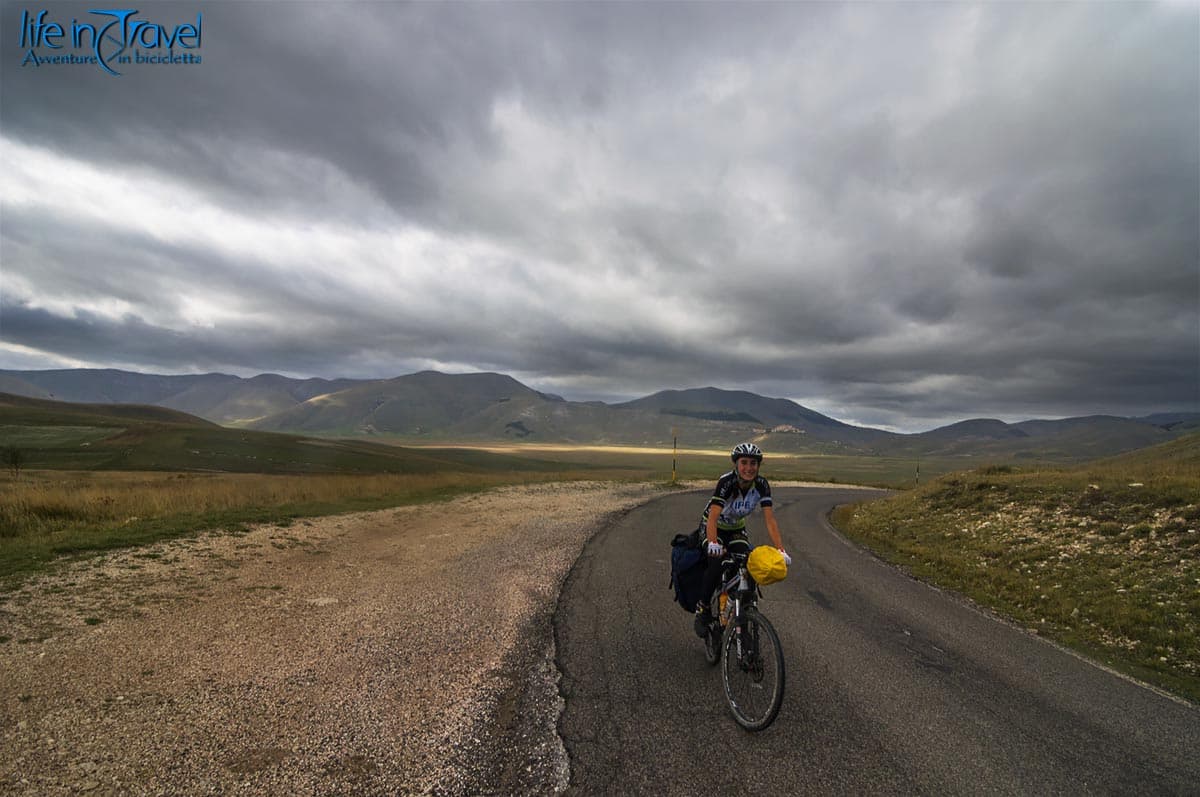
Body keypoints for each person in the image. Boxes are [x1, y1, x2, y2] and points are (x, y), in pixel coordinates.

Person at [693, 442, 792, 637]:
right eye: (744, 462)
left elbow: (770, 520)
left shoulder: (761, 485)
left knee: (750, 564)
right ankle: (703, 608)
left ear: (758, 466)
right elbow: (713, 517)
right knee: (716, 563)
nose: (749, 468)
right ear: (736, 464)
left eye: (753, 463)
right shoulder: (727, 482)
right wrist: (713, 543)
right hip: (713, 527)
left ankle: (741, 609)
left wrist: (781, 549)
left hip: (736, 529)